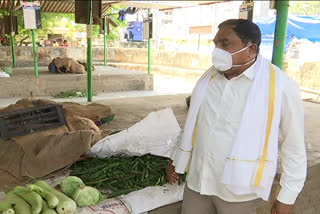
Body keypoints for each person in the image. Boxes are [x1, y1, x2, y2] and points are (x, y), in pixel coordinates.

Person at [167, 19, 306, 214]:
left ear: (251, 49)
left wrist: (287, 197)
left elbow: (294, 147)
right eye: (215, 44)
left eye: (225, 43)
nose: (217, 51)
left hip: (239, 193)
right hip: (198, 183)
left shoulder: (280, 87)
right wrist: (176, 157)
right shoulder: (208, 79)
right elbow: (194, 123)